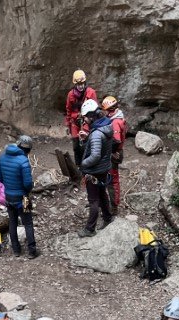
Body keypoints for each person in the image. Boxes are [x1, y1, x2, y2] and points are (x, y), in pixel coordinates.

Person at [0, 135, 39, 258]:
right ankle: (32, 251)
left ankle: (16, 250)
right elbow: (27, 184)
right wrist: (27, 189)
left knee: (13, 222)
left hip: (8, 196)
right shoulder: (23, 161)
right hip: (23, 197)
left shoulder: (2, 157)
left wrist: (10, 186)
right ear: (28, 149)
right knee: (28, 223)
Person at [77, 99, 114, 237]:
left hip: (94, 171)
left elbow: (95, 155)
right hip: (104, 169)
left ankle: (90, 229)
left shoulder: (97, 134)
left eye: (85, 117)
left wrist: (83, 165)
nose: (85, 120)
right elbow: (101, 147)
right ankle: (108, 218)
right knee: (102, 194)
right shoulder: (106, 127)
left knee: (93, 200)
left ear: (92, 116)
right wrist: (88, 138)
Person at [65, 70, 97, 168]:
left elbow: (95, 109)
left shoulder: (91, 93)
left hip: (86, 120)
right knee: (76, 145)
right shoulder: (71, 95)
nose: (80, 86)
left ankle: (87, 164)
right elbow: (68, 109)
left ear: (85, 82)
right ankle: (78, 165)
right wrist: (68, 124)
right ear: (75, 84)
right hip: (75, 121)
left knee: (86, 143)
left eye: (82, 83)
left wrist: (91, 122)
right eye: (78, 84)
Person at [100, 96, 127, 213]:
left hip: (114, 153)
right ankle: (112, 203)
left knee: (112, 180)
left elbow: (116, 140)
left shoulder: (115, 122)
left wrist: (110, 152)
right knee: (112, 178)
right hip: (116, 152)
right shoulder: (119, 118)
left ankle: (114, 206)